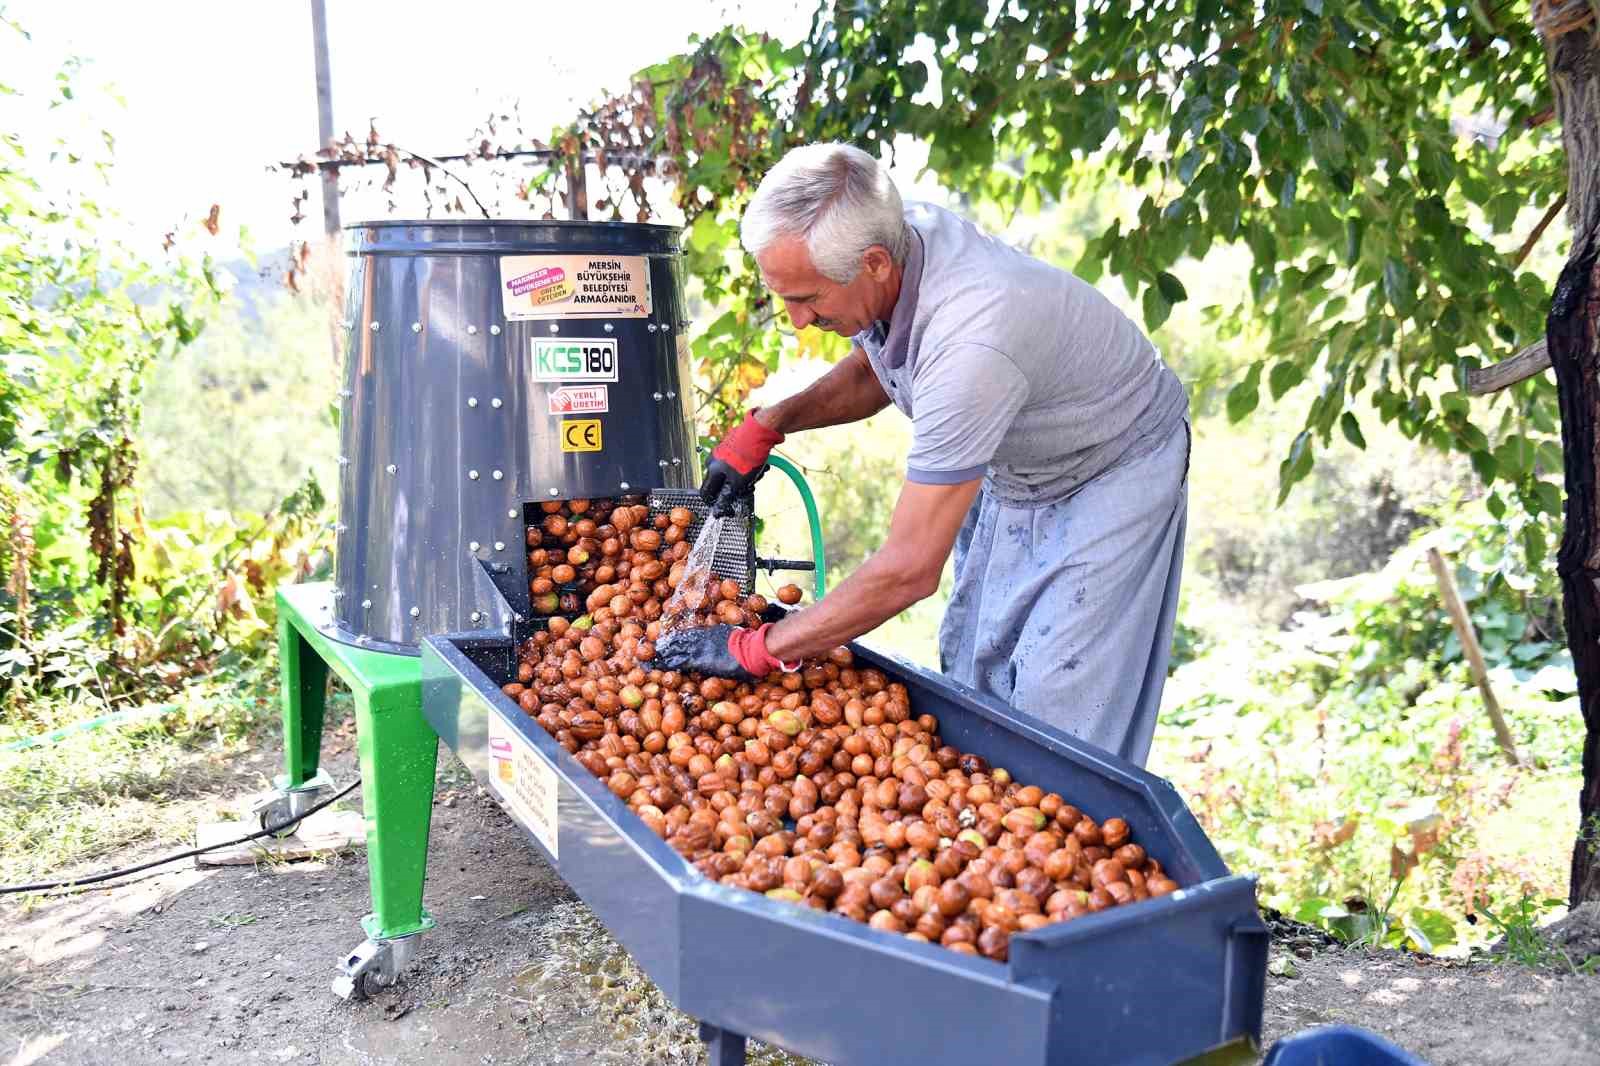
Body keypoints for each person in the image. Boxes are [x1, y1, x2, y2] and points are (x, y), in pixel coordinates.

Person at [653, 142, 1189, 766]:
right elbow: (876, 368)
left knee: (1062, 708)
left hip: (1111, 463)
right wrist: (771, 424)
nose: (798, 321)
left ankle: (1060, 847)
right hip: (1020, 461)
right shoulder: (900, 241)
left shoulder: (972, 346)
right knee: (977, 662)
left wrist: (760, 647)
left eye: (809, 299)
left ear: (875, 263)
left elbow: (909, 569)